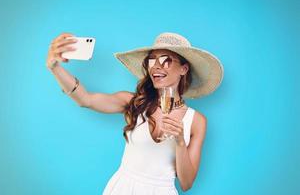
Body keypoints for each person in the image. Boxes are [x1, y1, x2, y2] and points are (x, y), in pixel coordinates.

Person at [46, 32, 224, 194]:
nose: (156, 67)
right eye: (152, 61)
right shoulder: (134, 102)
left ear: (183, 69)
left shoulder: (196, 121)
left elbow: (186, 183)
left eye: (166, 60)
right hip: (124, 188)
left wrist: (179, 142)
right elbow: (86, 99)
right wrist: (55, 67)